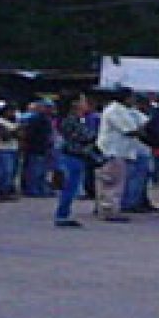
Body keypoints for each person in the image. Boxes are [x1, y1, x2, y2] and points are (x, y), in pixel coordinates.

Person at [94, 87, 141, 223]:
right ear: (125, 98)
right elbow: (130, 130)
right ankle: (110, 212)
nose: (134, 100)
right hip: (113, 152)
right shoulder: (116, 110)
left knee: (109, 182)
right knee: (113, 184)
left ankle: (106, 209)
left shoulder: (122, 110)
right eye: (132, 97)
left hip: (115, 152)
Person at [57, 96, 101, 228]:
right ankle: (62, 215)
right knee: (69, 186)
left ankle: (64, 213)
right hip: (73, 155)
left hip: (77, 155)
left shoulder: (78, 120)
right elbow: (86, 136)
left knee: (72, 186)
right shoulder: (71, 121)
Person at [19, 100, 55, 198]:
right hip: (36, 148)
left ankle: (40, 189)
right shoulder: (36, 119)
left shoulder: (47, 119)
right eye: (48, 107)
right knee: (35, 170)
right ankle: (33, 190)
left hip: (44, 148)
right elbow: (30, 134)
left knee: (42, 171)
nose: (50, 109)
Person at [0, 105, 20, 201]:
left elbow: (22, 135)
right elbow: (4, 137)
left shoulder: (14, 122)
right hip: (3, 149)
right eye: (10, 111)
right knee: (5, 171)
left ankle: (9, 191)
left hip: (14, 148)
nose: (12, 113)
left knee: (12, 172)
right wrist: (15, 132)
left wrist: (15, 132)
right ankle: (2, 192)